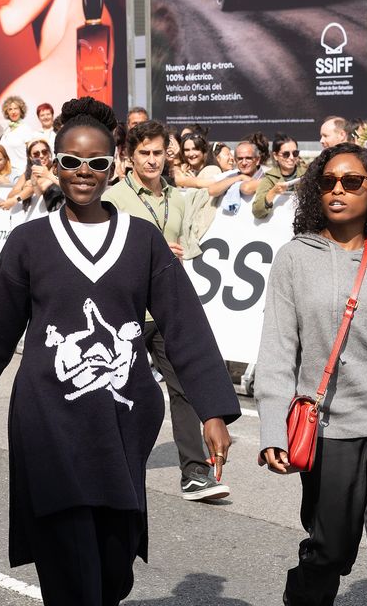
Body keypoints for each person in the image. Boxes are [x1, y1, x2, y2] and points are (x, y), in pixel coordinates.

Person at [0, 97, 239, 606]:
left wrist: (212, 413)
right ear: (55, 165)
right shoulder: (29, 242)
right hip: (48, 422)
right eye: (71, 161)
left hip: (122, 421)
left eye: (96, 162)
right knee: (69, 567)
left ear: (113, 166)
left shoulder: (143, 241)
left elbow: (186, 327)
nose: (83, 172)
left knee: (113, 567)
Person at [255, 143, 367, 606]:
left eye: (352, 182)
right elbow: (278, 349)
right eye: (327, 182)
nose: (338, 190)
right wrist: (272, 428)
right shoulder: (294, 259)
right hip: (328, 429)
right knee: (329, 549)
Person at [103, 120, 231, 502]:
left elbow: (190, 242)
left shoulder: (177, 198)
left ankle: (195, 473)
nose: (153, 159)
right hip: (122, 310)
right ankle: (106, 465)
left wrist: (181, 251)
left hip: (166, 309)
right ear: (129, 155)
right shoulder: (113, 198)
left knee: (185, 387)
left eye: (159, 152)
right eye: (145, 153)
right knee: (117, 389)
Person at [0, 138, 63, 219]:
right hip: (31, 218)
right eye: (36, 154)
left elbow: (40, 189)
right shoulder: (28, 173)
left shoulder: (56, 168)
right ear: (31, 157)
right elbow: (11, 194)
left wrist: (16, 199)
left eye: (44, 152)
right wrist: (25, 186)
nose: (41, 156)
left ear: (49, 152)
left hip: (53, 214)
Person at [253, 134, 307, 219]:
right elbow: (257, 212)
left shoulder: (308, 174)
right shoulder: (269, 179)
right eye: (286, 154)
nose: (292, 157)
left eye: (295, 153)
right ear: (275, 156)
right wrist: (273, 192)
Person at [0, 96, 39, 172]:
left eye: (16, 108)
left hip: (21, 172)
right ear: (7, 112)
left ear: (21, 110)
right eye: (10, 109)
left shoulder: (25, 129)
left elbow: (33, 153)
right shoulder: (6, 130)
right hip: (7, 172)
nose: (13, 112)